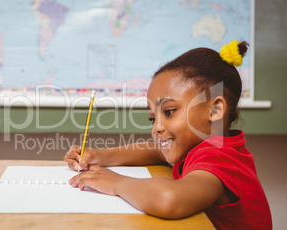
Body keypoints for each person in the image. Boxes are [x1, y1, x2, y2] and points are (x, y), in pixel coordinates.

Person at [64, 41, 272, 229]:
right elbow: (155, 151)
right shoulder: (207, 147)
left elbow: (168, 199)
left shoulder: (219, 159)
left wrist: (114, 182)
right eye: (153, 118)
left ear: (214, 110)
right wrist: (99, 155)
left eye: (169, 112)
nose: (156, 128)